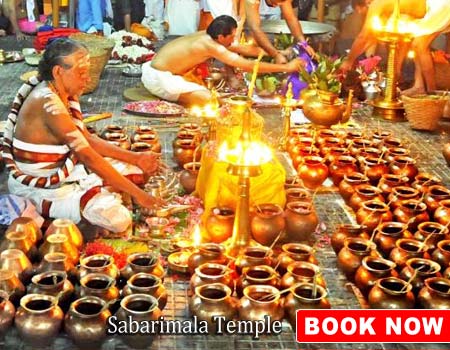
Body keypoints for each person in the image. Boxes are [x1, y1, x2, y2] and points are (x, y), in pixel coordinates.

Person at [2, 38, 165, 233]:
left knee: (135, 171)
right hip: (43, 188)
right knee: (118, 219)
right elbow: (87, 156)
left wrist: (137, 158)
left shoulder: (58, 91)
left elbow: (86, 139)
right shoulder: (48, 103)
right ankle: (46, 221)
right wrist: (140, 196)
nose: (87, 78)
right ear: (58, 72)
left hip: (67, 176)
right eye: (81, 73)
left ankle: (100, 197)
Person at [141, 15, 304, 106]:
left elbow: (242, 49)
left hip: (158, 71)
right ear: (221, 37)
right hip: (159, 78)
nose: (234, 40)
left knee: (212, 95)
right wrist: (288, 67)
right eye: (232, 36)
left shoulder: (210, 35)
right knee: (209, 100)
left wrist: (277, 52)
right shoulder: (210, 45)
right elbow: (247, 65)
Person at [340, 0, 427, 73]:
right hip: (422, 16)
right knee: (417, 46)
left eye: (359, 9)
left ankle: (428, 89)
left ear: (367, 2)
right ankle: (415, 83)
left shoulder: (377, 4)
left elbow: (363, 37)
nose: (359, 12)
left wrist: (349, 61)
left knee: (420, 46)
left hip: (433, 9)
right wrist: (397, 69)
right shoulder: (387, 9)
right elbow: (372, 36)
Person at [401, 1, 450, 95]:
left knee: (420, 43)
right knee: (416, 44)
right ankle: (419, 86)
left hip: (442, 5)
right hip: (433, 5)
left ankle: (433, 93)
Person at [243, 0, 315, 64]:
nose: (277, 6)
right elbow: (255, 28)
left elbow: (291, 18)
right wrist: (275, 54)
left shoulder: (283, 1)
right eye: (276, 3)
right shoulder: (251, 2)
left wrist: (303, 43)